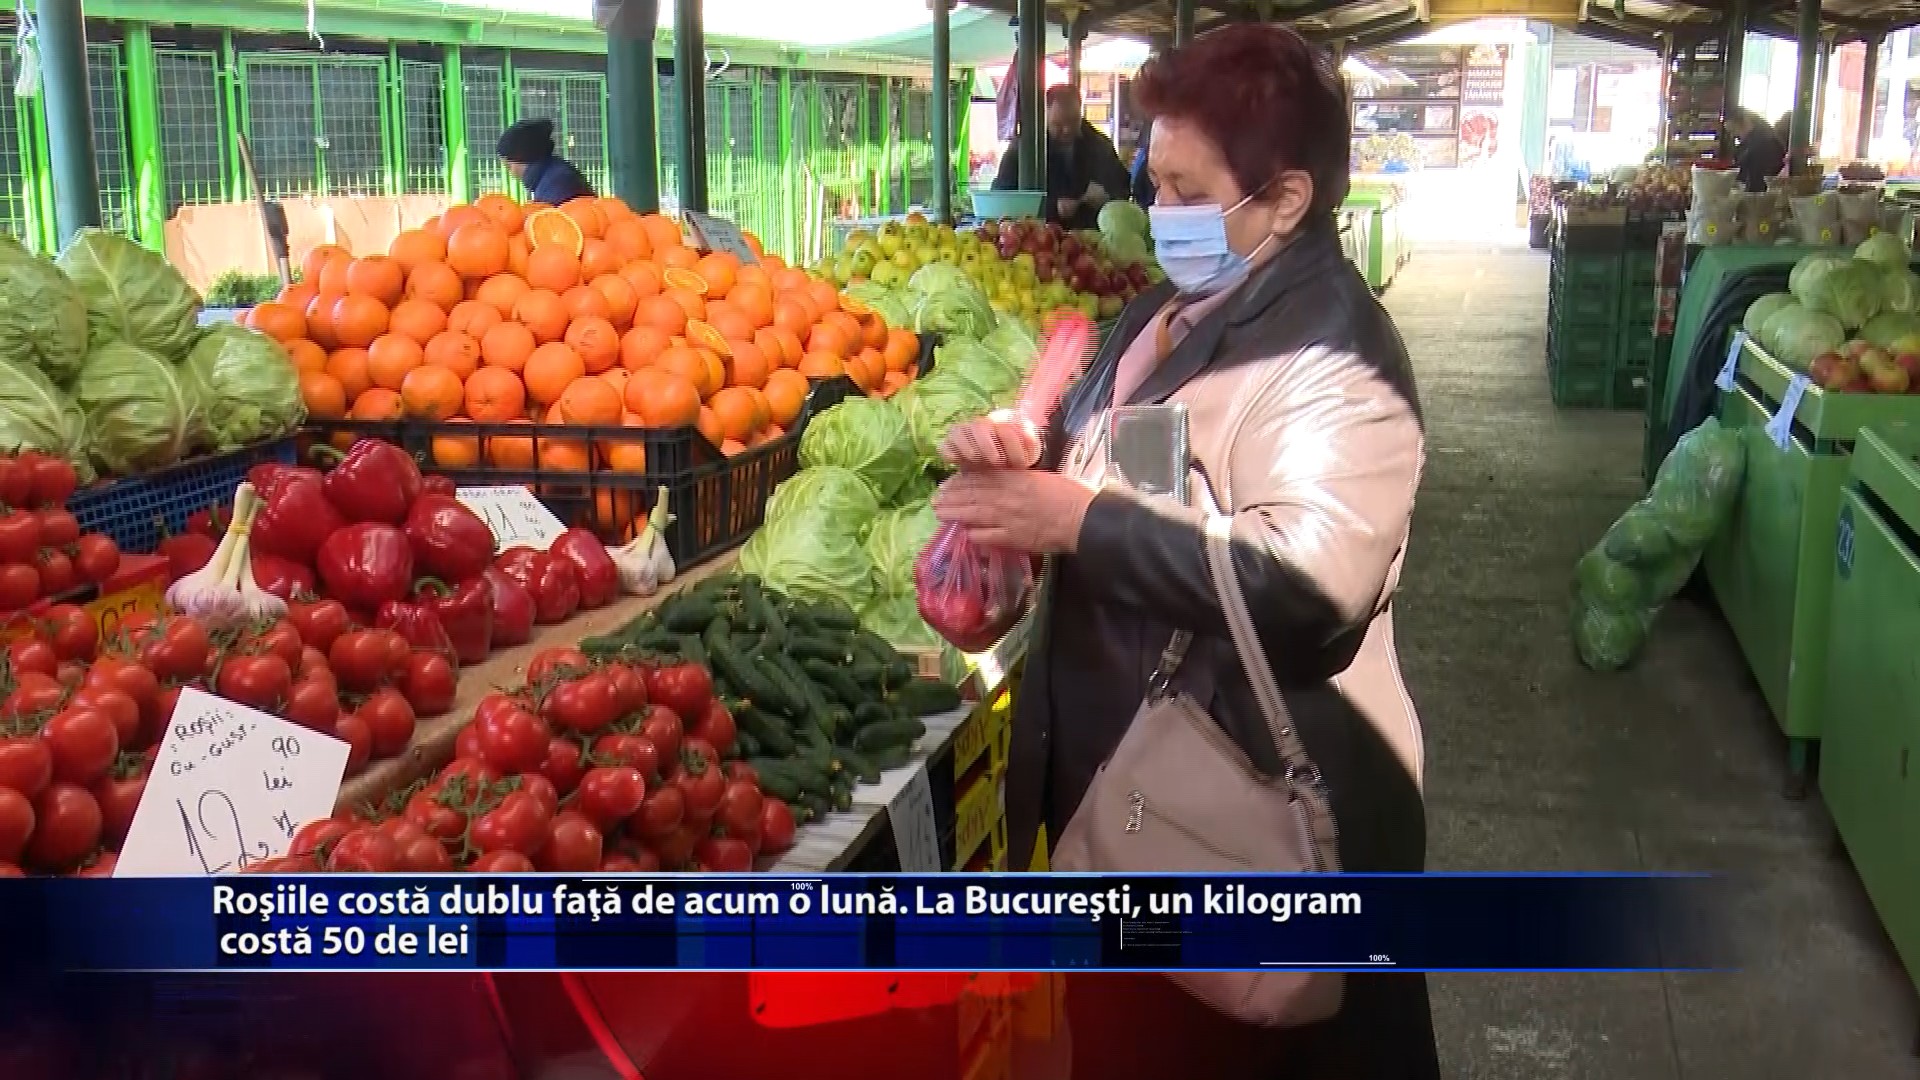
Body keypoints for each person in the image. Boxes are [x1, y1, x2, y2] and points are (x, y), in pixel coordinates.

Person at [934, 23, 1438, 1080]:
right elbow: (1137, 466)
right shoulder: (1168, 312)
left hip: (1237, 821)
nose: (1158, 211)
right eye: (1150, 181)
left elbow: (1312, 584)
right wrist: (1029, 455)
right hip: (1133, 812)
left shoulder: (1333, 354)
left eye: (1184, 189)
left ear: (1285, 200)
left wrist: (1074, 521)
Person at [992, 84, 1133, 230]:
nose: (1067, 130)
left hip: (1090, 236)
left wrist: (1107, 195)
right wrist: (1052, 207)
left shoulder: (1099, 144)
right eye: (1058, 124)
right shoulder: (1024, 148)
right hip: (1038, 234)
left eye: (1074, 121)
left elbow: (1123, 187)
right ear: (1045, 115)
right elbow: (1001, 196)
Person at [496, 117, 595, 206]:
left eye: (508, 166)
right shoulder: (552, 173)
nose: (512, 174)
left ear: (523, 158)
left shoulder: (556, 184)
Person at [1726, 108, 1787, 193]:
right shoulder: (1762, 139)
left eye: (1733, 130)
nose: (1733, 135)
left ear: (1746, 122)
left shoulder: (1763, 144)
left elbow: (1754, 179)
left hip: (1758, 195)